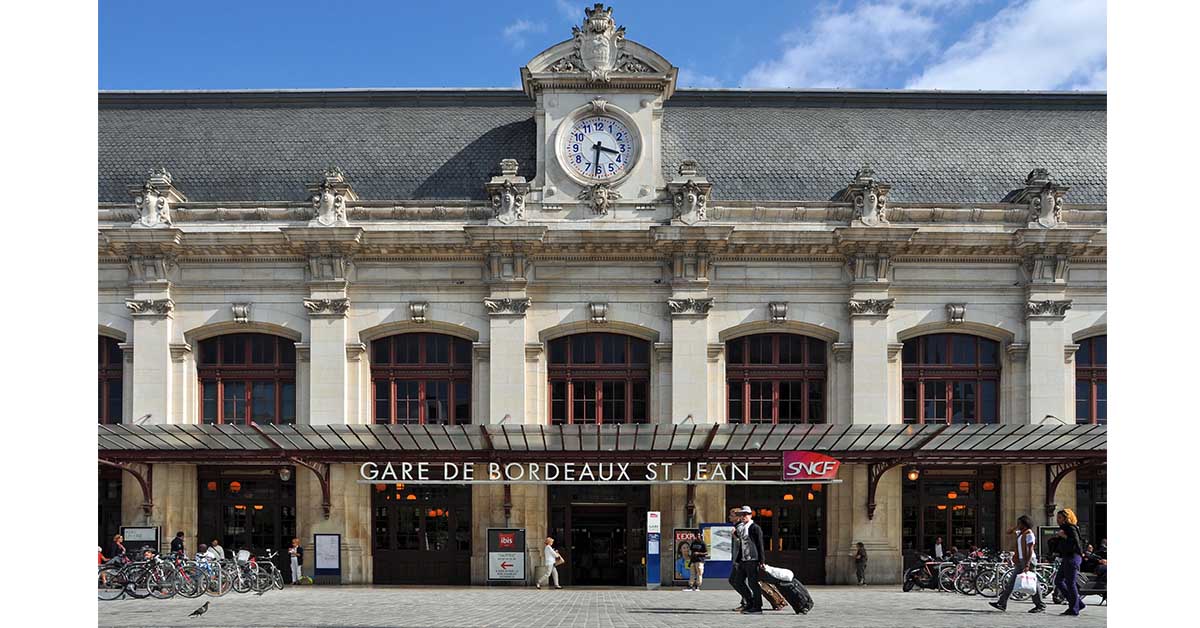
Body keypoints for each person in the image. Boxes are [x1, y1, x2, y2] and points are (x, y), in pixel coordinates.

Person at [989, 515, 1046, 614]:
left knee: (1033, 582)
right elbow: (1008, 532)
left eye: (1019, 523)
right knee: (1011, 582)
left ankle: (1040, 604)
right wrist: (1016, 527)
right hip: (1020, 560)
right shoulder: (1021, 533)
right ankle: (1002, 603)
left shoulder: (1029, 534)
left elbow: (1030, 549)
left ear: (1024, 524)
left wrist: (1027, 564)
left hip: (1028, 560)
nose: (1018, 525)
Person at [730, 506, 765, 614]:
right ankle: (749, 603)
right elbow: (742, 545)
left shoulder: (755, 527)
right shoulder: (742, 528)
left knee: (753, 583)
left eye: (746, 514)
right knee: (737, 582)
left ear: (750, 515)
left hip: (753, 559)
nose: (743, 516)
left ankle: (757, 607)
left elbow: (760, 545)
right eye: (742, 514)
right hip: (743, 560)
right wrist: (737, 560)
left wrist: (762, 561)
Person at [1054, 509, 1086, 616]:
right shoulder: (1064, 528)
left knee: (1070, 583)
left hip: (1073, 557)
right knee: (1058, 581)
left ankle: (1074, 609)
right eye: (1057, 517)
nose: (1057, 520)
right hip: (1067, 557)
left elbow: (1076, 543)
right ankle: (1078, 603)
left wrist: (1064, 536)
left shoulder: (1071, 528)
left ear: (1066, 518)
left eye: (1060, 518)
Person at [728, 507, 749, 612]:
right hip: (738, 559)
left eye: (731, 515)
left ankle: (747, 601)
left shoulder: (740, 527)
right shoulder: (737, 526)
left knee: (736, 581)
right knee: (736, 581)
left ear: (737, 517)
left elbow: (743, 543)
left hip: (740, 560)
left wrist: (734, 536)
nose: (729, 517)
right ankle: (746, 601)